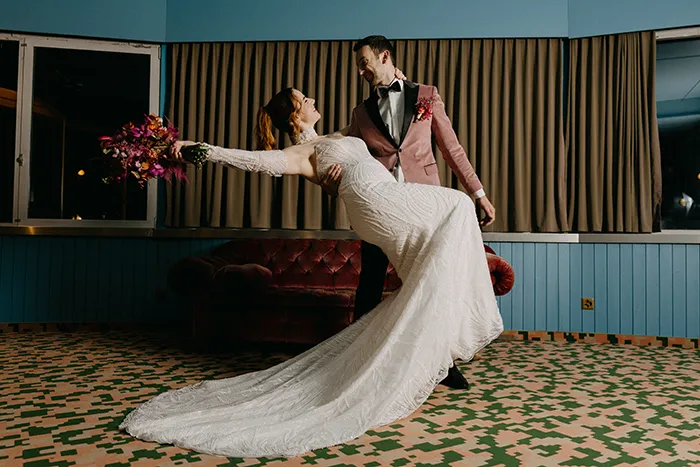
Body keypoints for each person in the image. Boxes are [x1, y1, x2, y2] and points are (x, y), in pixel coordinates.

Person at [119, 85, 504, 459]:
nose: (313, 99)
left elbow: (375, 135)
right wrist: (201, 149)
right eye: (305, 99)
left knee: (425, 271)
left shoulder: (334, 137)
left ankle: (436, 351)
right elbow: (253, 161)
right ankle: (457, 333)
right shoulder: (300, 153)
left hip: (381, 204)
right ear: (294, 115)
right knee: (458, 206)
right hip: (378, 201)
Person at [322, 35, 496, 390]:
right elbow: (347, 158)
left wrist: (477, 193)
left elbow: (452, 149)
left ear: (384, 56)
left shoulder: (426, 96)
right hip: (382, 207)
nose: (361, 71)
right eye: (358, 66)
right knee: (370, 282)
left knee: (432, 284)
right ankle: (359, 361)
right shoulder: (360, 114)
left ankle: (443, 364)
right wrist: (331, 181)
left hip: (424, 206)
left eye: (364, 63)